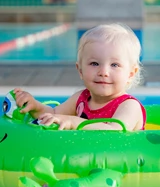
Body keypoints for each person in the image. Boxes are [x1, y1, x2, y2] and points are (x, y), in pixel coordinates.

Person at [14, 23, 145, 131]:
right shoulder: (80, 99)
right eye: (94, 63)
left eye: (115, 65)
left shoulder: (129, 105)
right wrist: (35, 106)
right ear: (80, 70)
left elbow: (116, 131)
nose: (103, 72)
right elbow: (53, 115)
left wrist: (74, 122)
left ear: (130, 74)